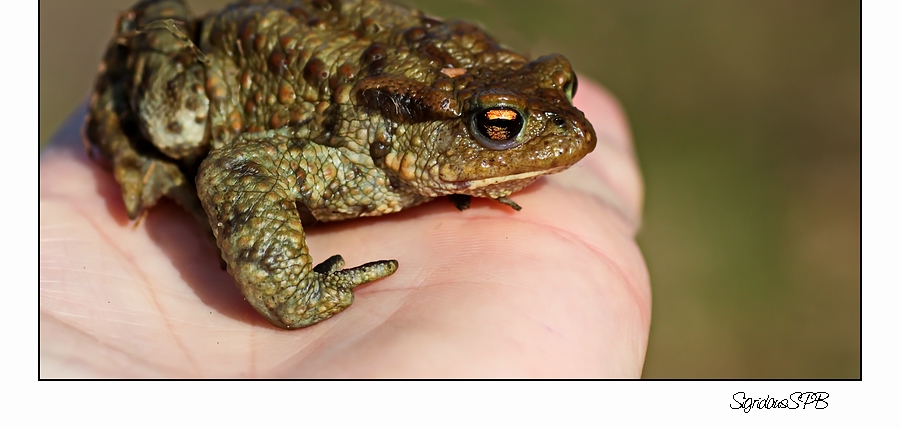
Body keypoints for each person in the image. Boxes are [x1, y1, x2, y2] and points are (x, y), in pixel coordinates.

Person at [39, 79, 650, 377]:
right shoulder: (354, 150)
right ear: (415, 129)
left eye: (561, 88)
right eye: (499, 125)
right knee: (176, 125)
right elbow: (238, 166)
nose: (571, 128)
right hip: (243, 61)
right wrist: (291, 289)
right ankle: (132, 147)